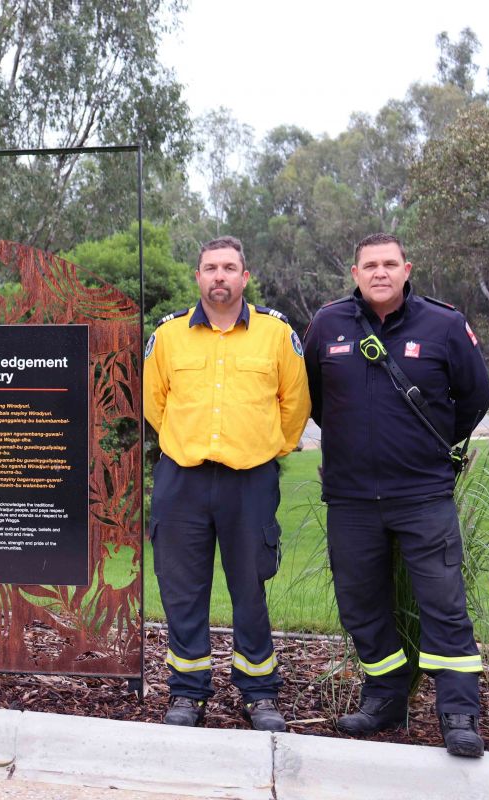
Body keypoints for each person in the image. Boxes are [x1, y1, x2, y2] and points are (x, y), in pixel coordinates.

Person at [303, 232, 489, 757]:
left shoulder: (445, 325)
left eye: (390, 263)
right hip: (351, 499)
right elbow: (316, 400)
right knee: (361, 606)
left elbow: (476, 397)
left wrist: (425, 450)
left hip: (422, 495)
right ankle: (385, 698)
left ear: (407, 269)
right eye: (370, 265)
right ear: (355, 273)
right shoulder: (328, 324)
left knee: (444, 605)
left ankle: (458, 713)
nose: (380, 272)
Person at [142, 235, 309, 731]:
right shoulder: (169, 335)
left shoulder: (276, 334)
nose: (220, 276)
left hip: (250, 480)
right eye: (211, 267)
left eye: (229, 268)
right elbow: (155, 402)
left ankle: (259, 693)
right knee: (181, 589)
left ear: (245, 276)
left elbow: (295, 404)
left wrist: (263, 449)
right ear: (198, 276)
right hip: (182, 480)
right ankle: (187, 693)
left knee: (250, 587)